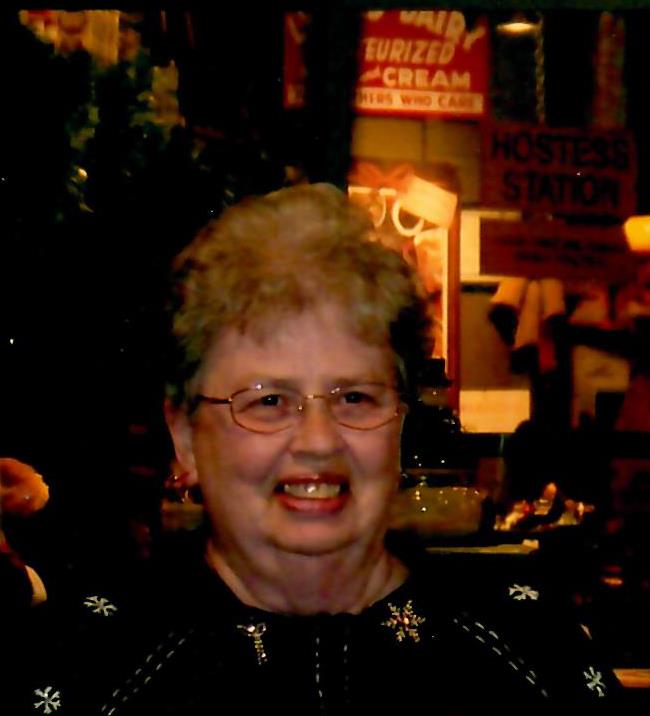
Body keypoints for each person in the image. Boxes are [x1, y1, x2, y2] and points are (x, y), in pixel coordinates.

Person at [6, 184, 621, 714]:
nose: (320, 440)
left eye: (356, 397)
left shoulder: (530, 655)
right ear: (186, 437)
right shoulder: (93, 669)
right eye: (268, 400)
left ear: (401, 421)